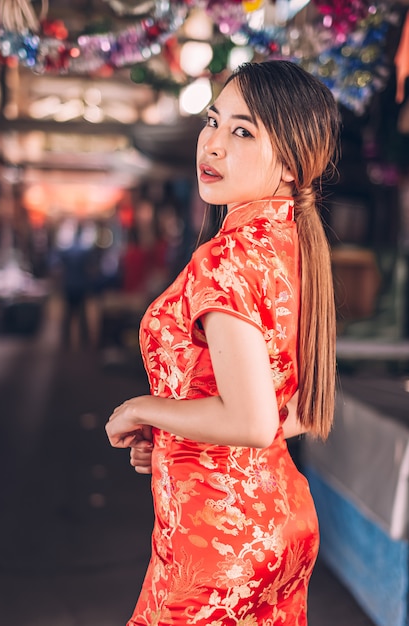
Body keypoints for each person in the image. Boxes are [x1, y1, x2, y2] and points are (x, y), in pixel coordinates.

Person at [106, 60, 340, 625]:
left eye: (242, 132)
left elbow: (252, 421)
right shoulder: (294, 243)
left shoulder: (227, 257)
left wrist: (139, 408)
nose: (211, 145)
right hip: (279, 522)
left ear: (288, 162)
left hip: (218, 541)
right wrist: (172, 433)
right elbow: (300, 408)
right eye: (213, 122)